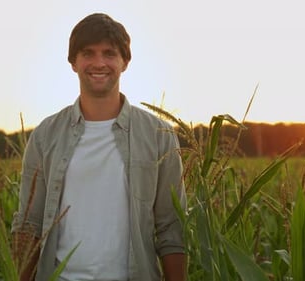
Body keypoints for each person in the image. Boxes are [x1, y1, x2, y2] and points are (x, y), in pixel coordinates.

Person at [11, 13, 187, 281]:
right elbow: (29, 224)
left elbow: (171, 228)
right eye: (87, 53)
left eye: (109, 53)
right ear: (73, 62)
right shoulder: (45, 136)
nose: (98, 63)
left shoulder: (159, 135)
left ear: (125, 62)